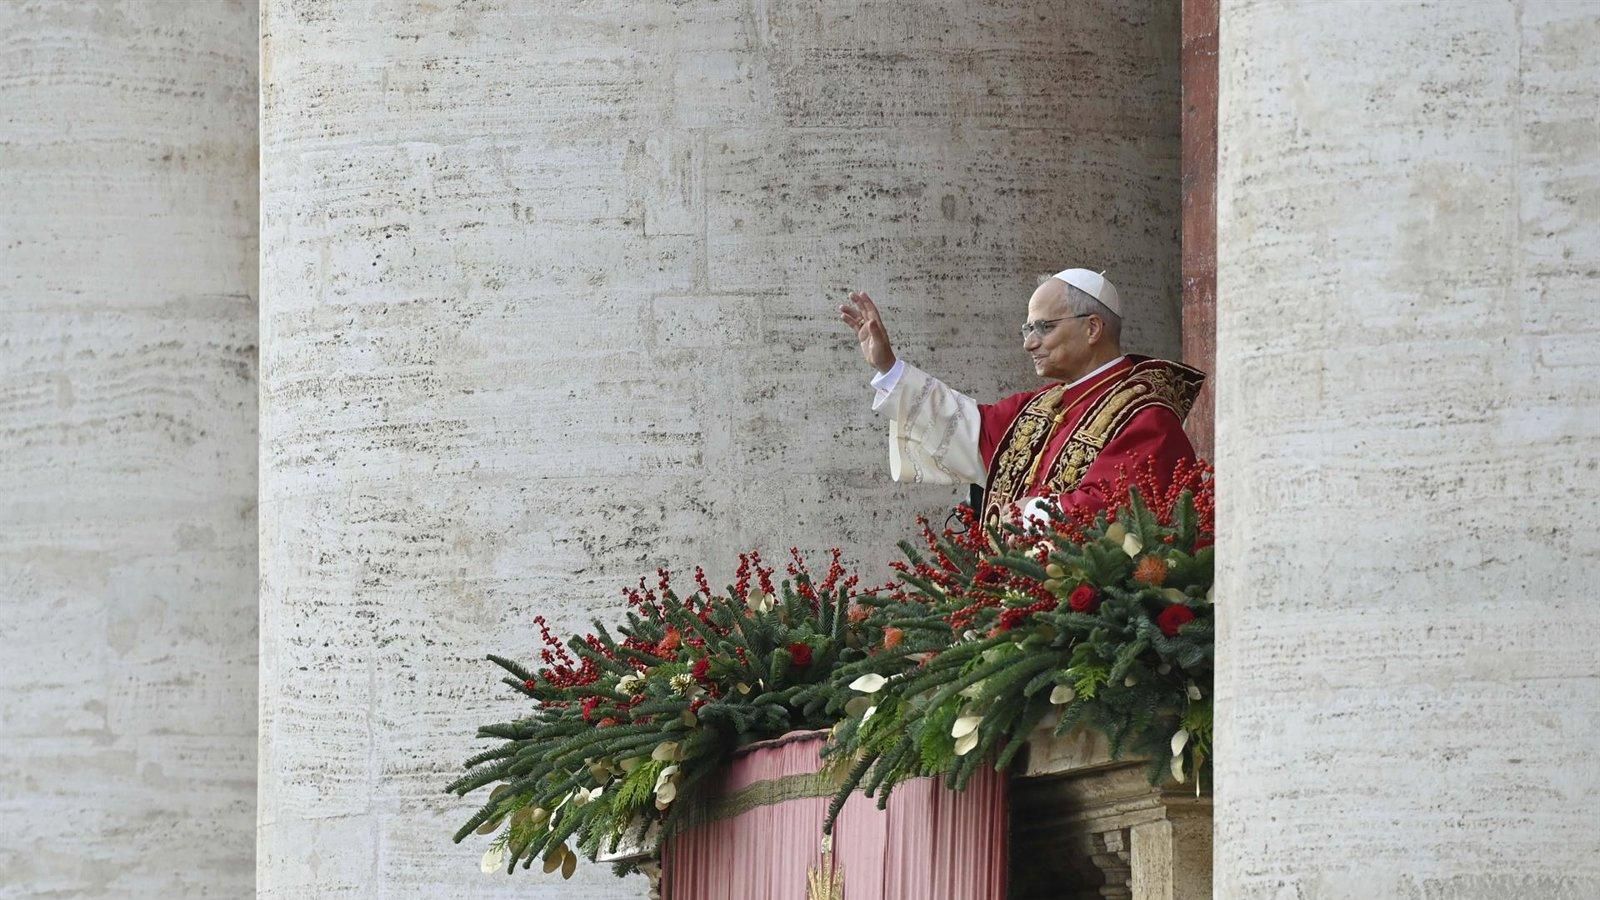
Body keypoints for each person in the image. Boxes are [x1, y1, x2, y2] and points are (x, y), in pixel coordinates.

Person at [839, 269, 1204, 532]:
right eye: (1028, 329)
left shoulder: (1146, 415)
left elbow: (1123, 509)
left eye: (1045, 327)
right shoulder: (1039, 406)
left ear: (1093, 328)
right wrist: (889, 367)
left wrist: (1032, 514)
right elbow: (965, 430)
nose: (1030, 343)